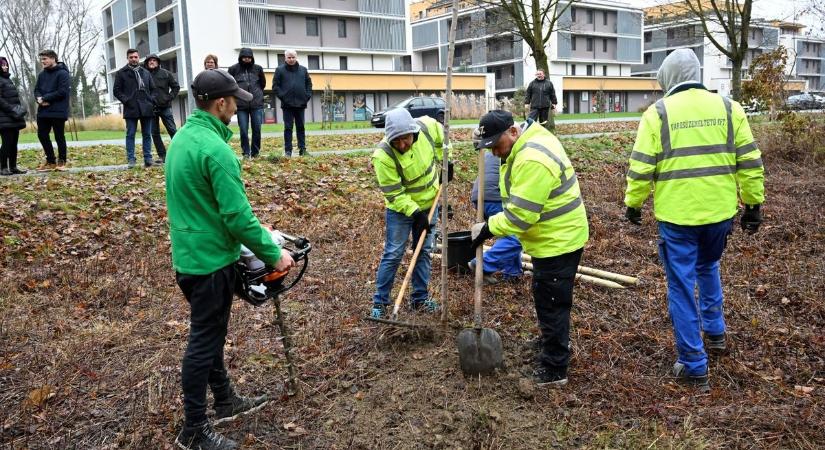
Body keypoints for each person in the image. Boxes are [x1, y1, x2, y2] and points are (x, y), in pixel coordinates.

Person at [166, 68, 295, 450]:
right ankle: (193, 431)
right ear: (220, 103)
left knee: (211, 333)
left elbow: (203, 204)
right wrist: (274, 253)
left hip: (189, 257)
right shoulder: (216, 149)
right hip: (209, 264)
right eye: (235, 101)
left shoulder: (183, 139)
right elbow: (236, 218)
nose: (238, 106)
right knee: (204, 341)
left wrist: (256, 234)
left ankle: (224, 400)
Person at [624, 49, 765, 390]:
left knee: (682, 286)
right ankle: (715, 334)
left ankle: (693, 363)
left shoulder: (658, 114)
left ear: (668, 79)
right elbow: (748, 159)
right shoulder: (730, 108)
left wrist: (633, 203)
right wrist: (754, 204)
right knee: (709, 267)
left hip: (678, 217)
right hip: (719, 214)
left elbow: (642, 166)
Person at [470, 110, 588, 386]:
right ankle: (552, 341)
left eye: (496, 147)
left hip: (559, 240)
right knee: (547, 297)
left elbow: (521, 216)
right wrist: (481, 139)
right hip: (554, 236)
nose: (495, 154)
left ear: (513, 131)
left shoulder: (532, 158)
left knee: (552, 303)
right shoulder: (526, 139)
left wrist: (487, 227)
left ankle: (554, 369)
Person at [370, 108, 450, 319]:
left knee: (423, 250)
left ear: (413, 132)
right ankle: (380, 303)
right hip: (401, 210)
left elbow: (446, 141)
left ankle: (420, 299)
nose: (402, 145)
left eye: (405, 139)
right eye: (396, 141)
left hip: (430, 203)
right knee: (394, 253)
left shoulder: (428, 126)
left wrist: (447, 163)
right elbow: (394, 194)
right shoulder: (383, 156)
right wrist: (416, 213)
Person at [468, 127, 523, 284]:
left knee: (508, 233)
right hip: (495, 197)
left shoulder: (495, 147)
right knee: (517, 235)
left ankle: (512, 274)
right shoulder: (513, 150)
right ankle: (483, 264)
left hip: (479, 197)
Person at [113, 48, 156, 168]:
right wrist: (127, 100)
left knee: (147, 134)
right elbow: (116, 91)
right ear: (128, 58)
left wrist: (151, 100)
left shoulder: (145, 72)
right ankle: (131, 159)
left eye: (135, 57)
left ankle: (148, 158)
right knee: (130, 134)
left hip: (146, 108)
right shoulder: (121, 73)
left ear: (139, 57)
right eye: (131, 57)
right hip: (131, 108)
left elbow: (153, 90)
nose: (133, 59)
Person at [33, 49, 71, 171]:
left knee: (59, 136)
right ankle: (50, 161)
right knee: (42, 135)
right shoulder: (42, 75)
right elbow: (36, 90)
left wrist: (45, 97)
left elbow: (62, 92)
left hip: (58, 110)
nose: (42, 61)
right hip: (43, 110)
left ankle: (62, 161)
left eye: (45, 59)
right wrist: (39, 99)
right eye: (41, 59)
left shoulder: (63, 73)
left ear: (53, 58)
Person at [273, 49, 312, 157]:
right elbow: (275, 86)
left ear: (296, 57)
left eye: (293, 57)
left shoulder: (303, 70)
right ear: (285, 58)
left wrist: (306, 96)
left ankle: (302, 150)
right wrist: (283, 97)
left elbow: (309, 84)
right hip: (287, 105)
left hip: (301, 104)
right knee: (288, 128)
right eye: (289, 57)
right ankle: (288, 151)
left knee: (301, 127)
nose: (291, 59)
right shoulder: (279, 70)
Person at [228, 48, 265, 158]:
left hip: (256, 105)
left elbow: (262, 84)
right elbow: (230, 85)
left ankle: (255, 152)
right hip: (241, 106)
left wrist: (257, 95)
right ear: (240, 57)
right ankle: (246, 152)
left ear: (252, 58)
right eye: (244, 57)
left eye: (249, 57)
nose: (247, 59)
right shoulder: (233, 69)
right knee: (243, 130)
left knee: (257, 129)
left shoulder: (258, 69)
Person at [143, 54, 180, 164]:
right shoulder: (144, 75)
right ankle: (162, 156)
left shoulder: (166, 73)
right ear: (147, 63)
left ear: (158, 62)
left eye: (154, 60)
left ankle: (178, 153)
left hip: (165, 107)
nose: (152, 62)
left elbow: (176, 87)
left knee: (172, 130)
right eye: (149, 61)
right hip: (151, 108)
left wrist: (169, 97)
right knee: (155, 133)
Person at [0, 56, 27, 175]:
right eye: (2, 65)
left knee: (14, 143)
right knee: (6, 143)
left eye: (6, 64)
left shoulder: (7, 79)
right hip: (4, 117)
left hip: (13, 117)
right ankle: (3, 167)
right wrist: (12, 109)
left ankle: (13, 166)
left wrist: (18, 110)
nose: (5, 67)